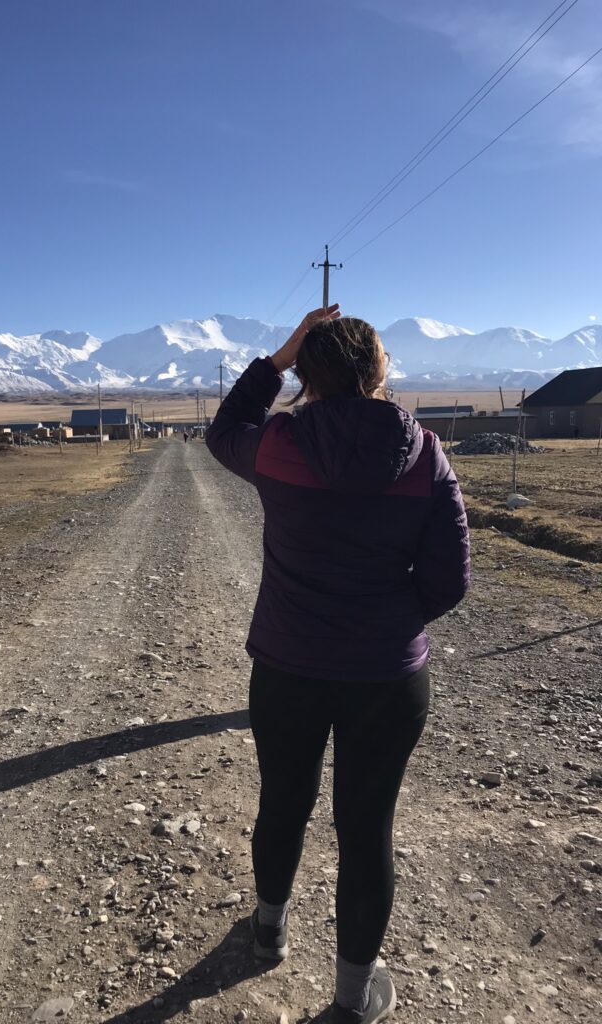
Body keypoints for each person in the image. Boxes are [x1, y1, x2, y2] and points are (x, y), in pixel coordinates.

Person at [205, 306, 470, 1024]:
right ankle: (352, 999)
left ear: (308, 376)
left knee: (282, 802)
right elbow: (450, 579)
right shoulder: (424, 453)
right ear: (381, 372)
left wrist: (277, 358)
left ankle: (268, 931)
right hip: (387, 677)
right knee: (366, 827)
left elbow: (223, 429)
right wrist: (388, 620)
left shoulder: (280, 444)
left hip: (288, 667)